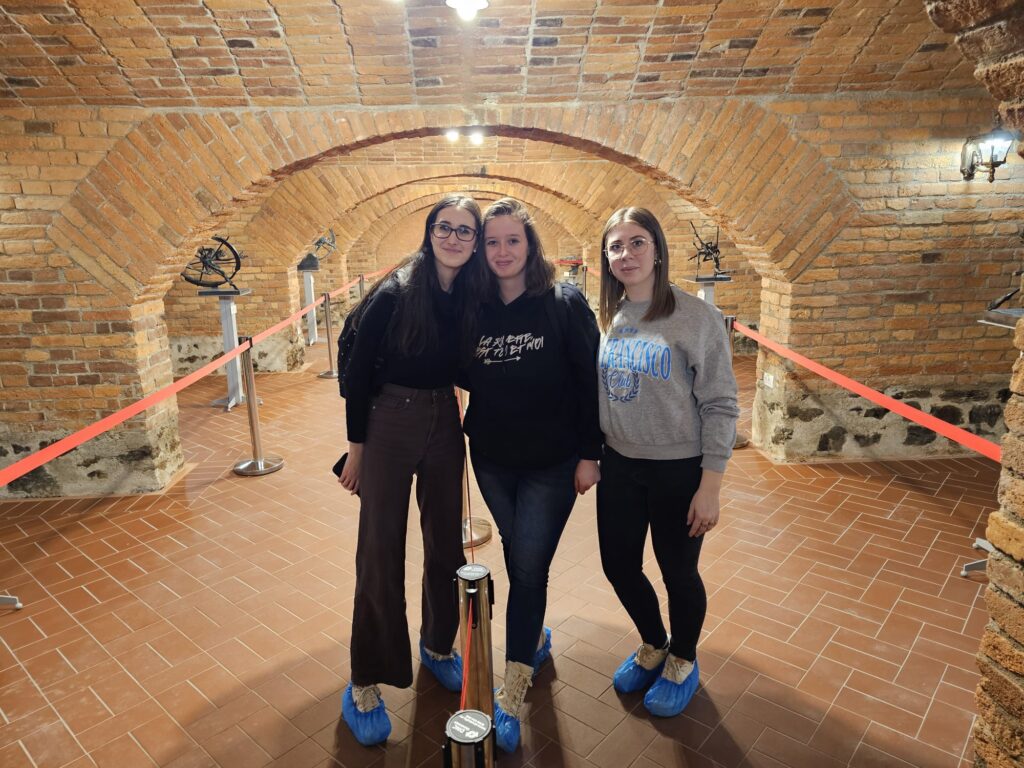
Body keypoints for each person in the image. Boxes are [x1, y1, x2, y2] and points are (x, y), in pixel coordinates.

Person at [338, 194, 483, 746]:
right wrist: (357, 451)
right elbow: (356, 377)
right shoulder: (396, 292)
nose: (453, 238)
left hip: (444, 417)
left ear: (475, 241)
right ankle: (365, 679)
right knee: (380, 548)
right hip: (388, 421)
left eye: (464, 231)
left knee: (446, 542)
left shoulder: (469, 293)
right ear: (429, 232)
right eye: (444, 227)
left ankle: (438, 644)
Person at [461, 197, 602, 752]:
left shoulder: (563, 303)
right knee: (521, 554)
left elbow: (589, 382)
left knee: (527, 567)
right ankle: (535, 636)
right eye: (492, 242)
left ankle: (513, 687)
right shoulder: (474, 307)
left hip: (552, 462)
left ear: (530, 245)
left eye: (512, 240)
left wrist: (590, 454)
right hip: (492, 459)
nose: (502, 251)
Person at [596, 207, 738, 718]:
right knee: (618, 565)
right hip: (619, 465)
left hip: (678, 469)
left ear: (657, 249)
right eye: (616, 246)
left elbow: (721, 403)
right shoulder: (609, 316)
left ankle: (683, 658)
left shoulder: (694, 317)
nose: (626, 254)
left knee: (678, 571)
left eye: (637, 242)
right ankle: (655, 642)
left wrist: (710, 486)